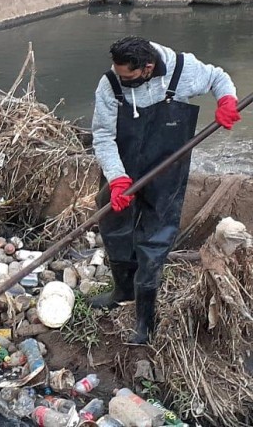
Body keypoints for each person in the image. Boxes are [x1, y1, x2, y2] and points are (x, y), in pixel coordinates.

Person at [89, 36, 241, 344]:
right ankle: (122, 290)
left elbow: (217, 77)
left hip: (166, 173)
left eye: (128, 77)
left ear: (146, 68)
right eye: (118, 73)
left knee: (153, 242)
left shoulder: (181, 70)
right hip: (122, 171)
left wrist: (226, 100)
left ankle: (145, 321)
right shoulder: (110, 84)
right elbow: (103, 135)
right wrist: (118, 179)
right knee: (114, 228)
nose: (121, 80)